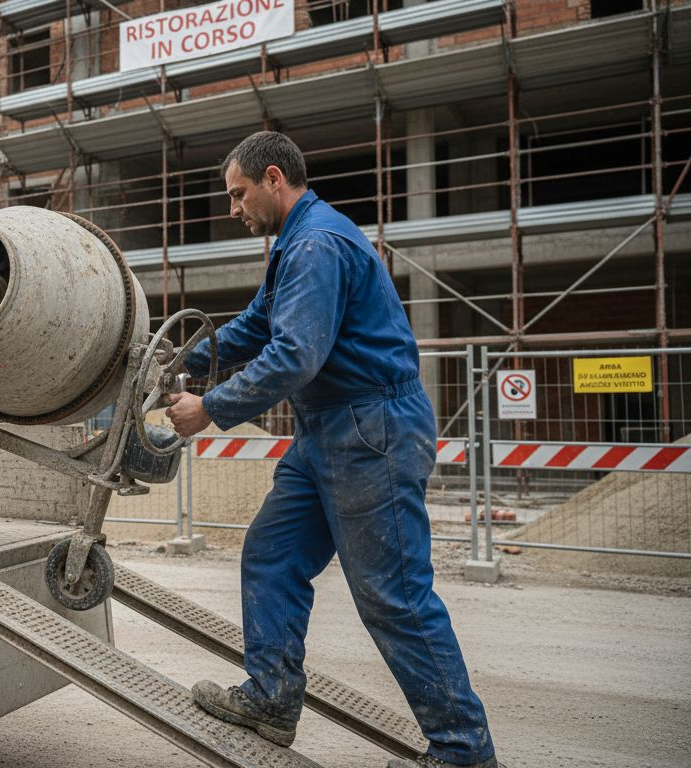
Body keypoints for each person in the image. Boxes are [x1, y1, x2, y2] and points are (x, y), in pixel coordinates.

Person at [165, 131, 497, 768]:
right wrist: (180, 361)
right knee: (272, 555)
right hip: (326, 432)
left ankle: (463, 750)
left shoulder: (317, 244)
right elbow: (256, 326)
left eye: (238, 194)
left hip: (371, 432)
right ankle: (271, 697)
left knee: (393, 595)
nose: (233, 208)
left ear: (273, 179)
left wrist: (209, 409)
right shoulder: (296, 242)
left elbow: (295, 355)